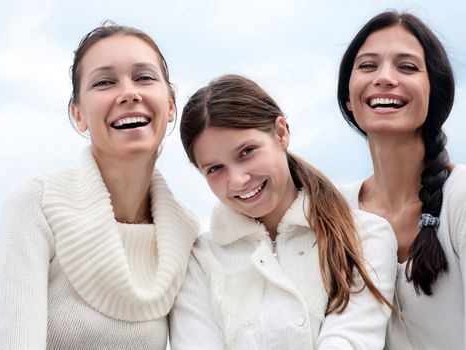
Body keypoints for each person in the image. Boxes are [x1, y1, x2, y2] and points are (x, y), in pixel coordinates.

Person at [0, 22, 198, 349]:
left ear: (170, 105)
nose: (129, 92)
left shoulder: (187, 234)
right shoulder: (36, 204)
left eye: (144, 77)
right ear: (78, 114)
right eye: (104, 82)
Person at [170, 74, 397, 349]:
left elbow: (351, 341)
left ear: (281, 133)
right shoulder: (200, 259)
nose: (238, 180)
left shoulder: (366, 235)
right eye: (215, 169)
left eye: (247, 152)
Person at [337, 11, 466, 350]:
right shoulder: (338, 209)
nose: (385, 78)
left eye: (407, 67)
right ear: (348, 96)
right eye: (368, 66)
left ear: (435, 92)